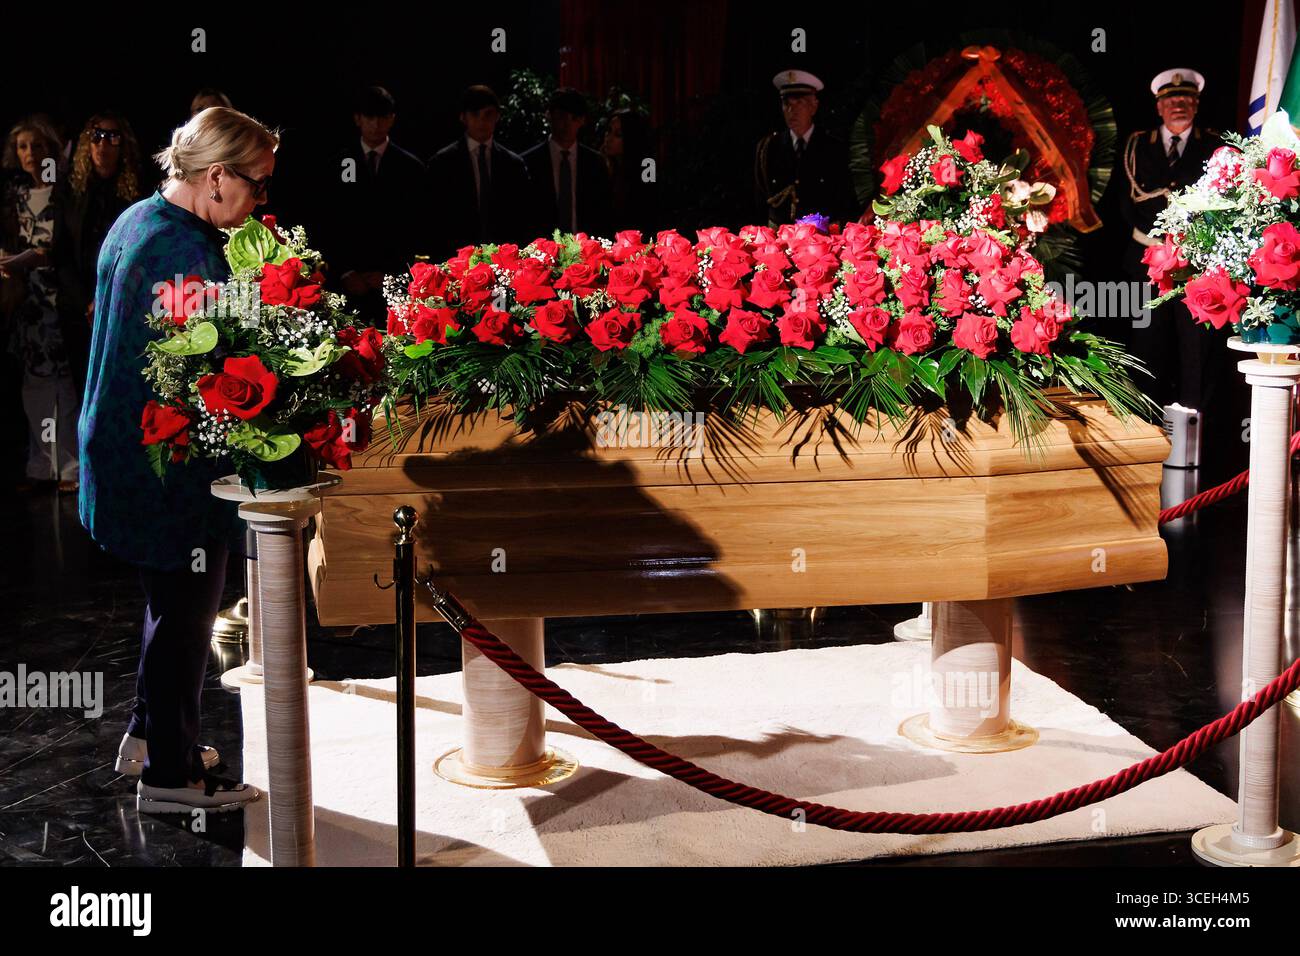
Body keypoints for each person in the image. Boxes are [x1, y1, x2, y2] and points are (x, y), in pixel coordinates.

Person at [78, 106, 274, 815]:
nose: (259, 203)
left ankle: (150, 735)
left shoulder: (139, 219)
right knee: (187, 611)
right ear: (217, 176)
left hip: (121, 448)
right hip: (162, 462)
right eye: (255, 186)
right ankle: (169, 778)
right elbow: (215, 370)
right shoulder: (182, 254)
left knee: (170, 603)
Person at [1120, 69, 1222, 412]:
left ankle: (1196, 432)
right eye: (1171, 99)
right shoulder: (1137, 144)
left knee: (1197, 350)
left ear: (1196, 104)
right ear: (1159, 106)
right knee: (1145, 346)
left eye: (1186, 99)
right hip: (1146, 261)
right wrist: (1160, 243)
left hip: (1197, 264)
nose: (1178, 105)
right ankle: (1143, 430)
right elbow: (1126, 201)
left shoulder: (1214, 145)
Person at [1, 117, 79, 493]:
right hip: (27, 303)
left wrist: (31, 258)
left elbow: (61, 249)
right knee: (34, 385)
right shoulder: (13, 196)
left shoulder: (65, 193)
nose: (30, 153)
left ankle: (69, 467)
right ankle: (40, 466)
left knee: (65, 385)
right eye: (22, 147)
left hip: (58, 300)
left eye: (36, 146)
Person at [321, 85, 428, 320]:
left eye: (382, 117)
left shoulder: (411, 168)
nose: (376, 124)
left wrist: (391, 274)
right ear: (358, 119)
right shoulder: (337, 165)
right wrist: (345, 272)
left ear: (392, 120)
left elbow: (416, 226)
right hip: (346, 283)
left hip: (394, 283)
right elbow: (328, 222)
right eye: (370, 117)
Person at [55, 112, 142, 396]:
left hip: (123, 303)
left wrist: (107, 298)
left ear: (123, 145)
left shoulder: (136, 192)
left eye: (112, 137)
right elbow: (61, 252)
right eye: (97, 137)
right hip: (79, 308)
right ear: (87, 143)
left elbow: (138, 249)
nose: (103, 145)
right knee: (84, 388)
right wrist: (86, 301)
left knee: (121, 387)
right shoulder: (70, 189)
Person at [427, 85, 532, 259]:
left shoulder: (514, 165)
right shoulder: (442, 163)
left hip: (503, 261)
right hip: (455, 260)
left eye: (488, 114)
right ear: (463, 117)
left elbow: (523, 218)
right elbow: (435, 220)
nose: (482, 121)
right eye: (475, 115)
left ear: (498, 116)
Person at [754, 70, 858, 227]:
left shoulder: (833, 148)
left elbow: (844, 200)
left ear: (813, 106)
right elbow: (759, 199)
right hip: (778, 237)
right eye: (787, 104)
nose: (791, 110)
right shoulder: (768, 147)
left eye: (799, 103)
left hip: (820, 237)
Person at [521, 87, 612, 238]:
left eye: (574, 118)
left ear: (582, 120)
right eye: (561, 116)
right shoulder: (528, 162)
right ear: (549, 116)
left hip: (586, 250)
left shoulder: (595, 163)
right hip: (539, 251)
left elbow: (603, 213)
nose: (567, 124)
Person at [601, 107, 658, 235]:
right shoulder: (601, 164)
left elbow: (649, 210)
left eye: (618, 135)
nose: (608, 138)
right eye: (608, 131)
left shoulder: (647, 166)